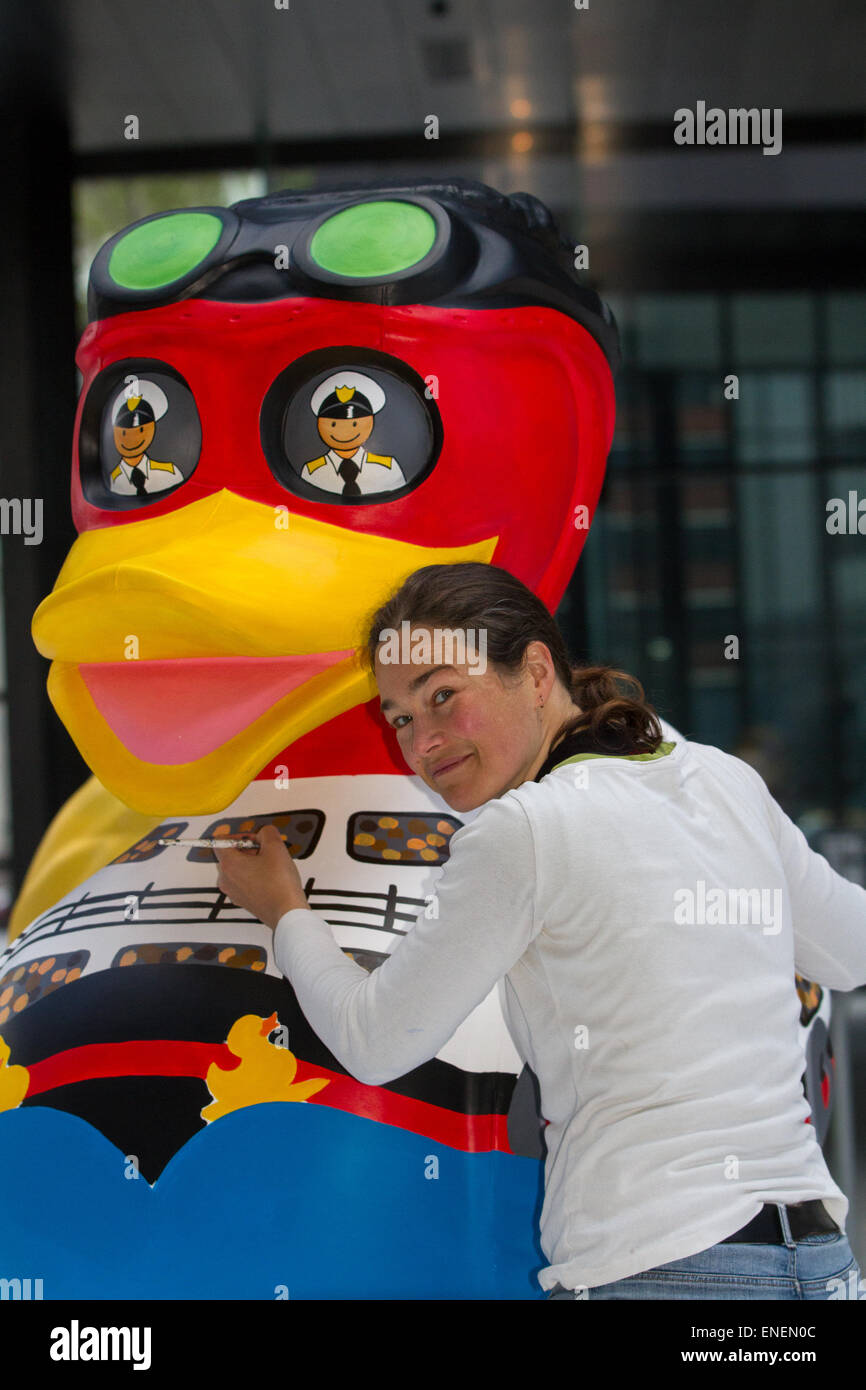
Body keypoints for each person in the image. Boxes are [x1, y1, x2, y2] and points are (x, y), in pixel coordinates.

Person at [214, 561, 866, 1300]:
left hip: (661, 1267)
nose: (424, 743)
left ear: (533, 671)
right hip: (819, 1263)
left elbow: (376, 1041)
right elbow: (850, 950)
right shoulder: (722, 780)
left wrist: (284, 911)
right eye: (400, 718)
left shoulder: (521, 831)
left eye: (444, 697)